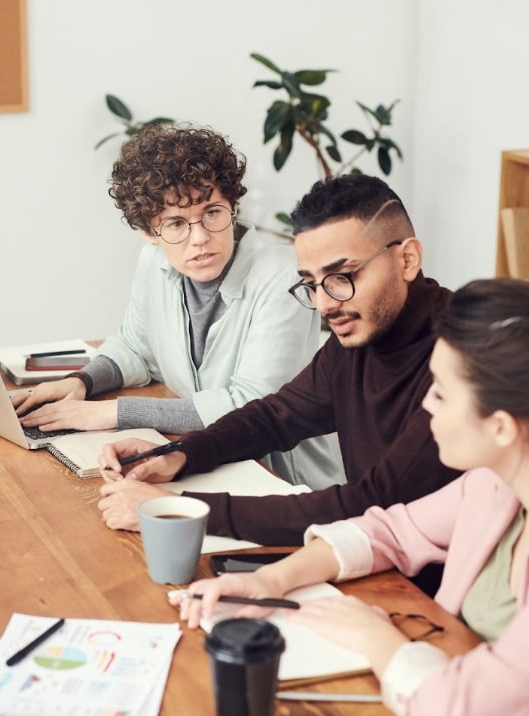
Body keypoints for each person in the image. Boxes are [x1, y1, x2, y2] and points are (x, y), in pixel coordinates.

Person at [177, 279, 529, 716]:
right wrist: (271, 580)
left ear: (501, 426)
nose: (427, 405)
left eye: (442, 393)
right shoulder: (515, 472)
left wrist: (376, 637)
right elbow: (391, 530)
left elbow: (462, 711)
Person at [98, 172, 460, 549]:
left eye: (343, 275)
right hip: (371, 556)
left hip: (430, 591)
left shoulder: (461, 360)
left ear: (407, 259)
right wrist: (180, 455)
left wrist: (180, 509)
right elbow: (276, 417)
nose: (325, 304)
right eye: (312, 283)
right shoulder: (361, 333)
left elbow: (371, 503)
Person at [12, 125, 342, 489]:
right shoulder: (154, 263)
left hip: (279, 479)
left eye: (213, 212)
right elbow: (135, 348)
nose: (200, 238)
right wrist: (81, 382)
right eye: (175, 224)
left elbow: (251, 406)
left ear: (233, 206)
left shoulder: (282, 278)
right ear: (149, 233)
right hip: (204, 459)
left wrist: (110, 413)